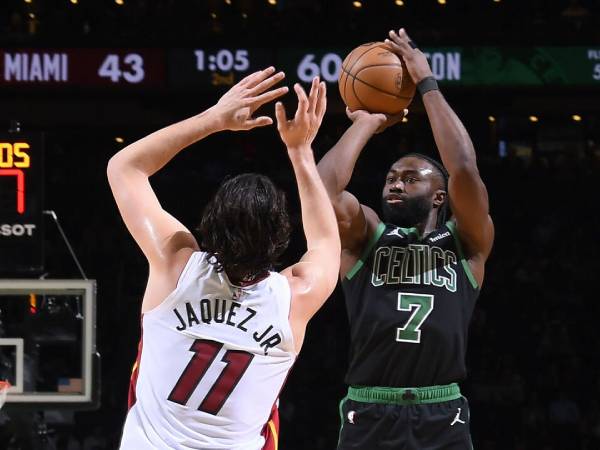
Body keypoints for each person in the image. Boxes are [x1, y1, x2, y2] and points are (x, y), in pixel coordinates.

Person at [108, 68, 340, 449]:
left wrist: (213, 119)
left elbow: (124, 167)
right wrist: (300, 152)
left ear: (209, 222)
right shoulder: (295, 297)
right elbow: (326, 241)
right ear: (282, 237)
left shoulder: (176, 264)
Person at [317, 29, 495, 449]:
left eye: (410, 178)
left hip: (442, 411)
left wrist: (427, 84)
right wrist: (367, 122)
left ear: (439, 195)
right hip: (369, 408)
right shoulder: (367, 238)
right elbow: (321, 191)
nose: (395, 184)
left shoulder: (466, 243)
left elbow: (464, 167)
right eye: (391, 177)